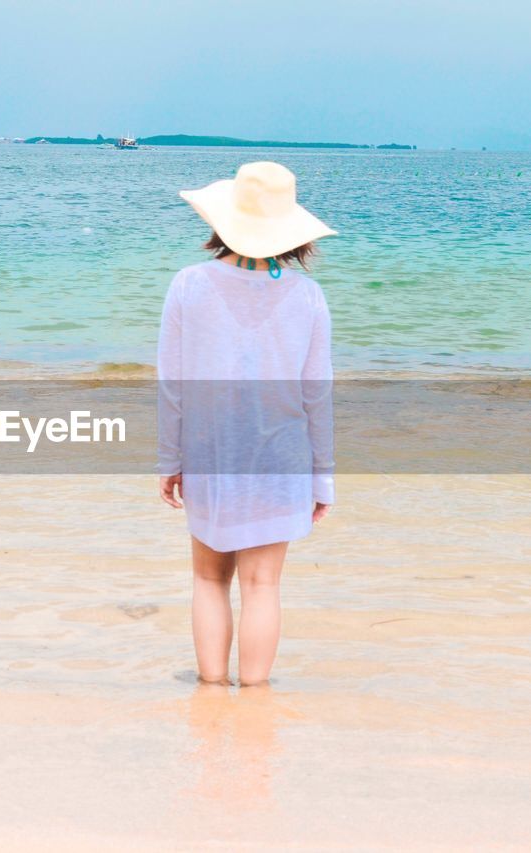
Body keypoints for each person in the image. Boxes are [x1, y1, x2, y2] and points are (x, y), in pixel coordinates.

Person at [157, 161, 337, 686]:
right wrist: (322, 475)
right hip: (282, 460)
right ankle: (254, 699)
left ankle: (211, 693)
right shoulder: (307, 297)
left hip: (211, 454)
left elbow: (173, 386)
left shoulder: (189, 285)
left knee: (209, 580)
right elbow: (316, 397)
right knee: (263, 586)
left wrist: (170, 459)